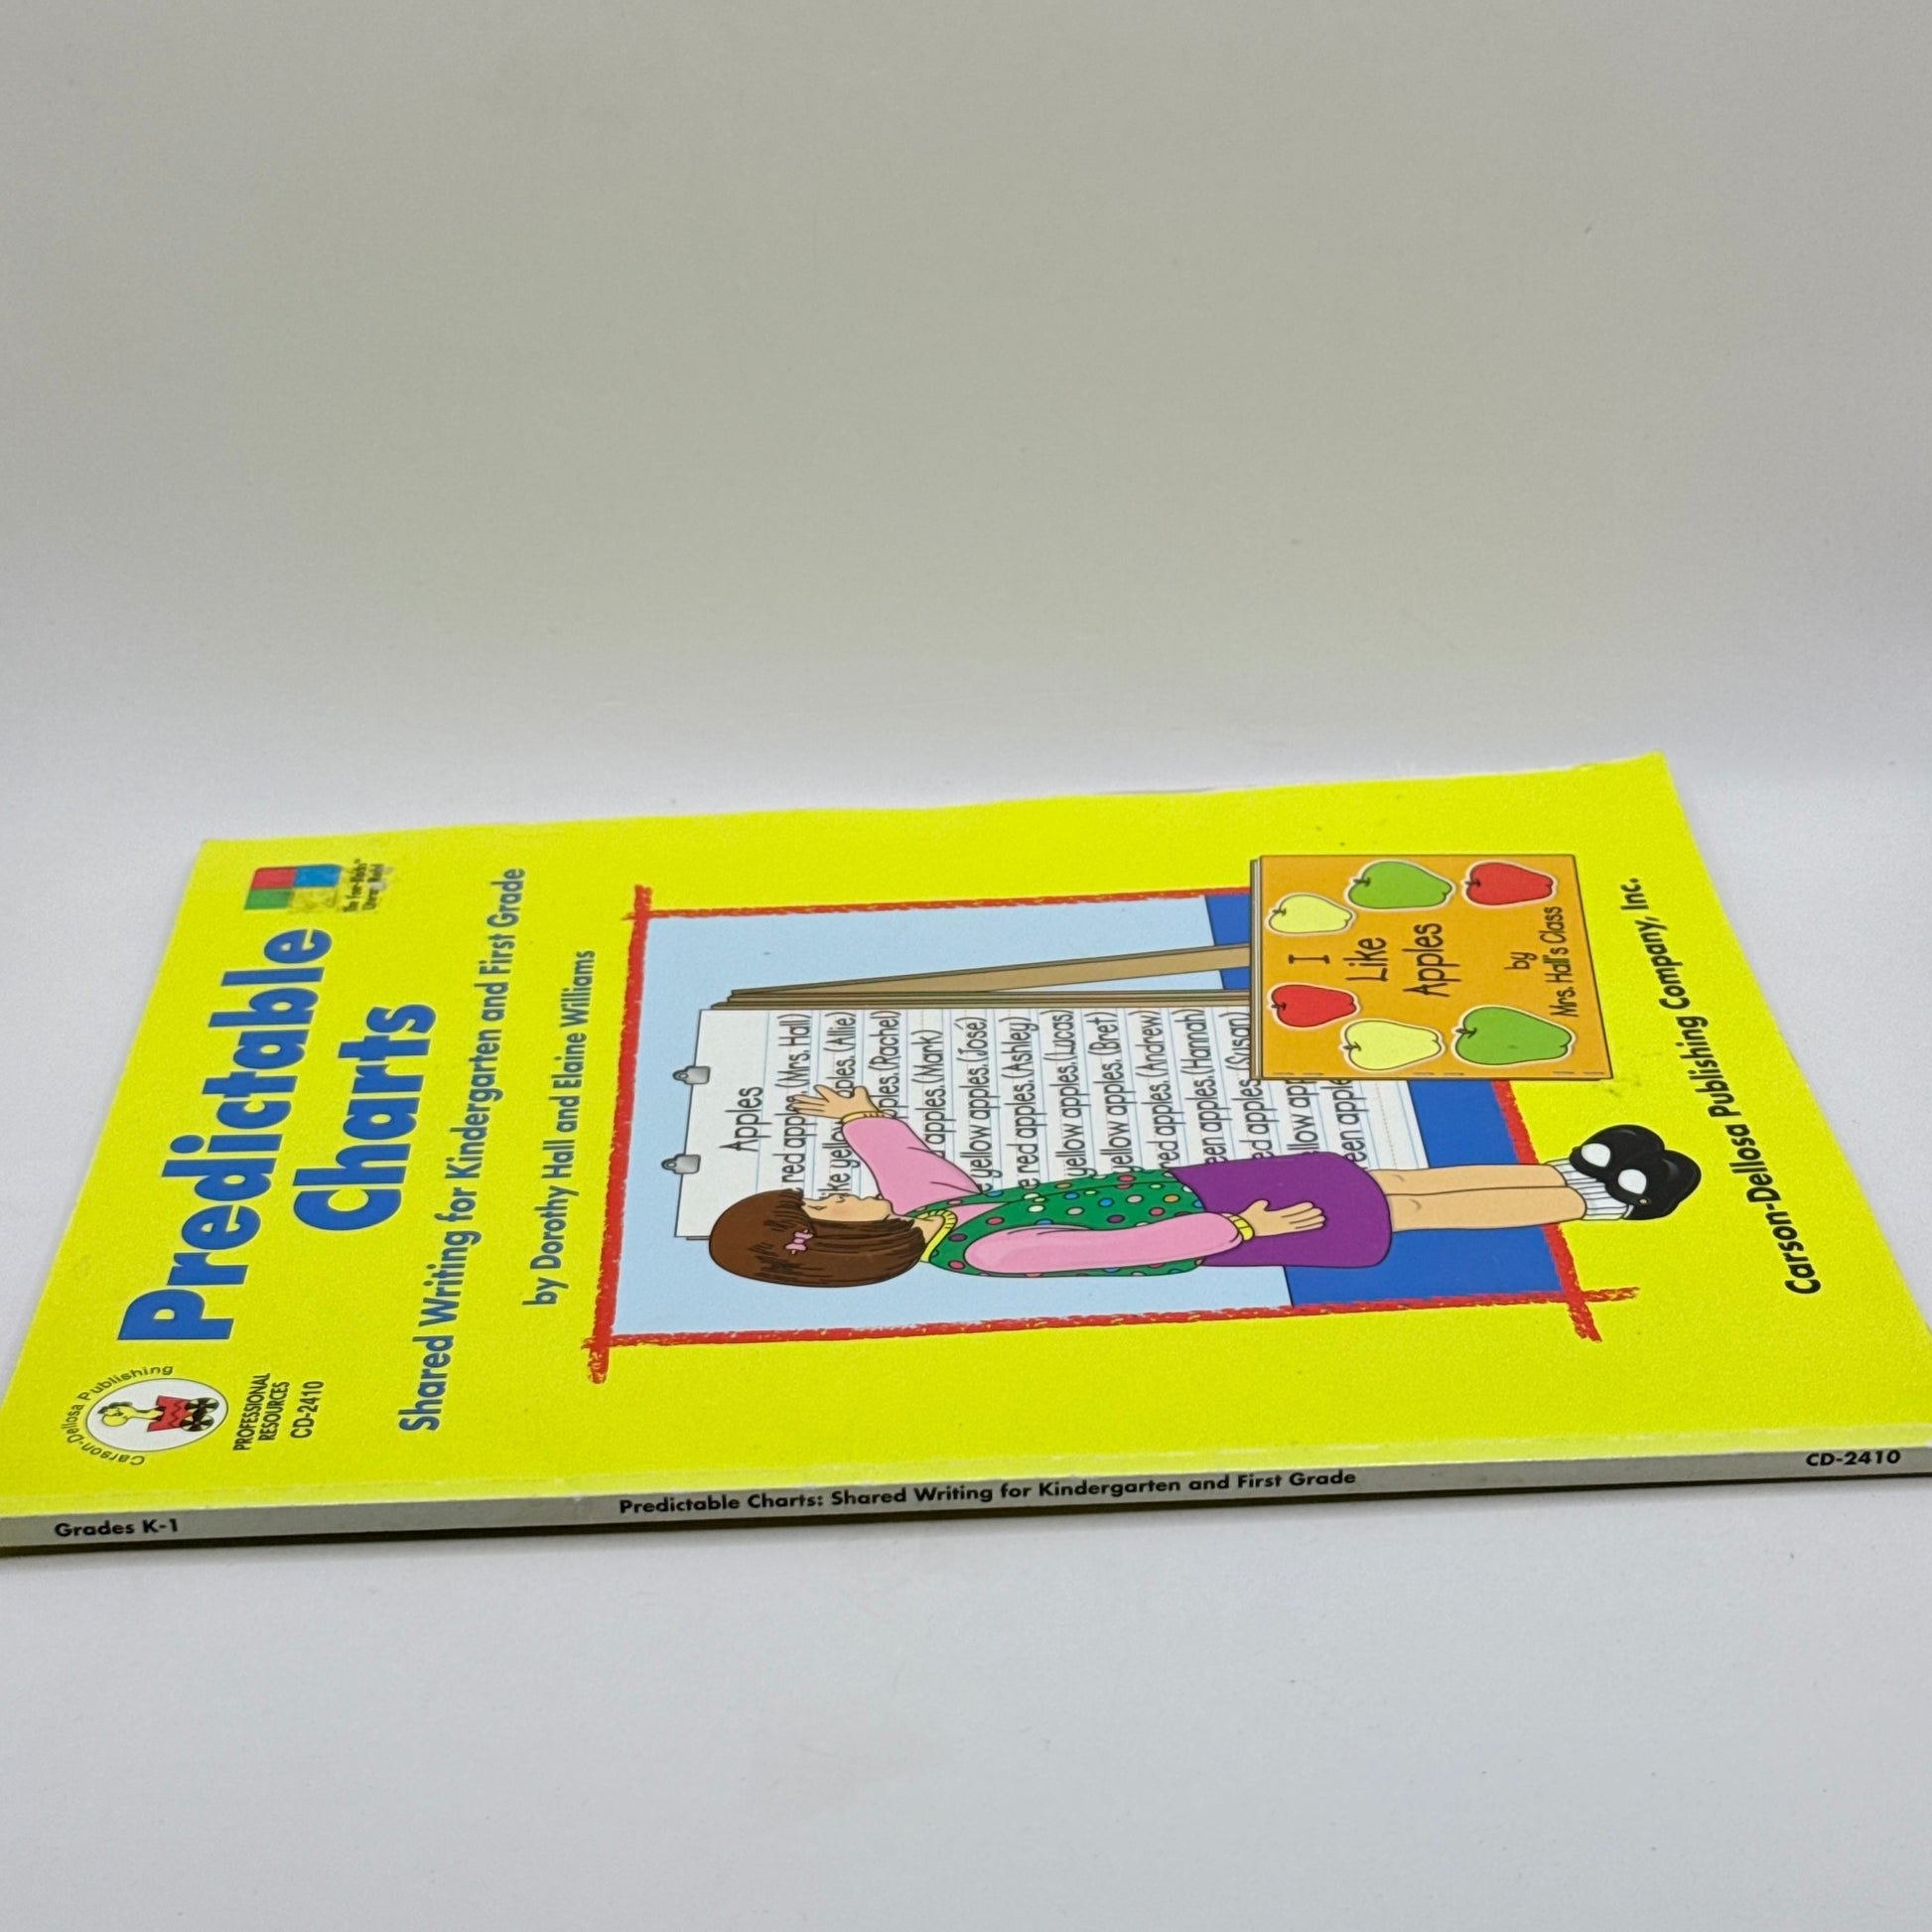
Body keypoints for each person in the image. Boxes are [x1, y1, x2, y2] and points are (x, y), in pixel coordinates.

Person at [706, 1086, 1701, 1289]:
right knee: (1403, 1208)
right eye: (829, 1204)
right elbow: (1125, 1249)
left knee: (1389, 1179)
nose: (845, 1193)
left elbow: (922, 1174)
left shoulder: (938, 1217)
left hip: (1196, 1185)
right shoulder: (984, 1251)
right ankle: (1592, 1202)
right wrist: (1241, 1226)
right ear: (836, 1243)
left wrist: (863, 1119)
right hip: (1228, 1218)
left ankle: (1557, 1173)